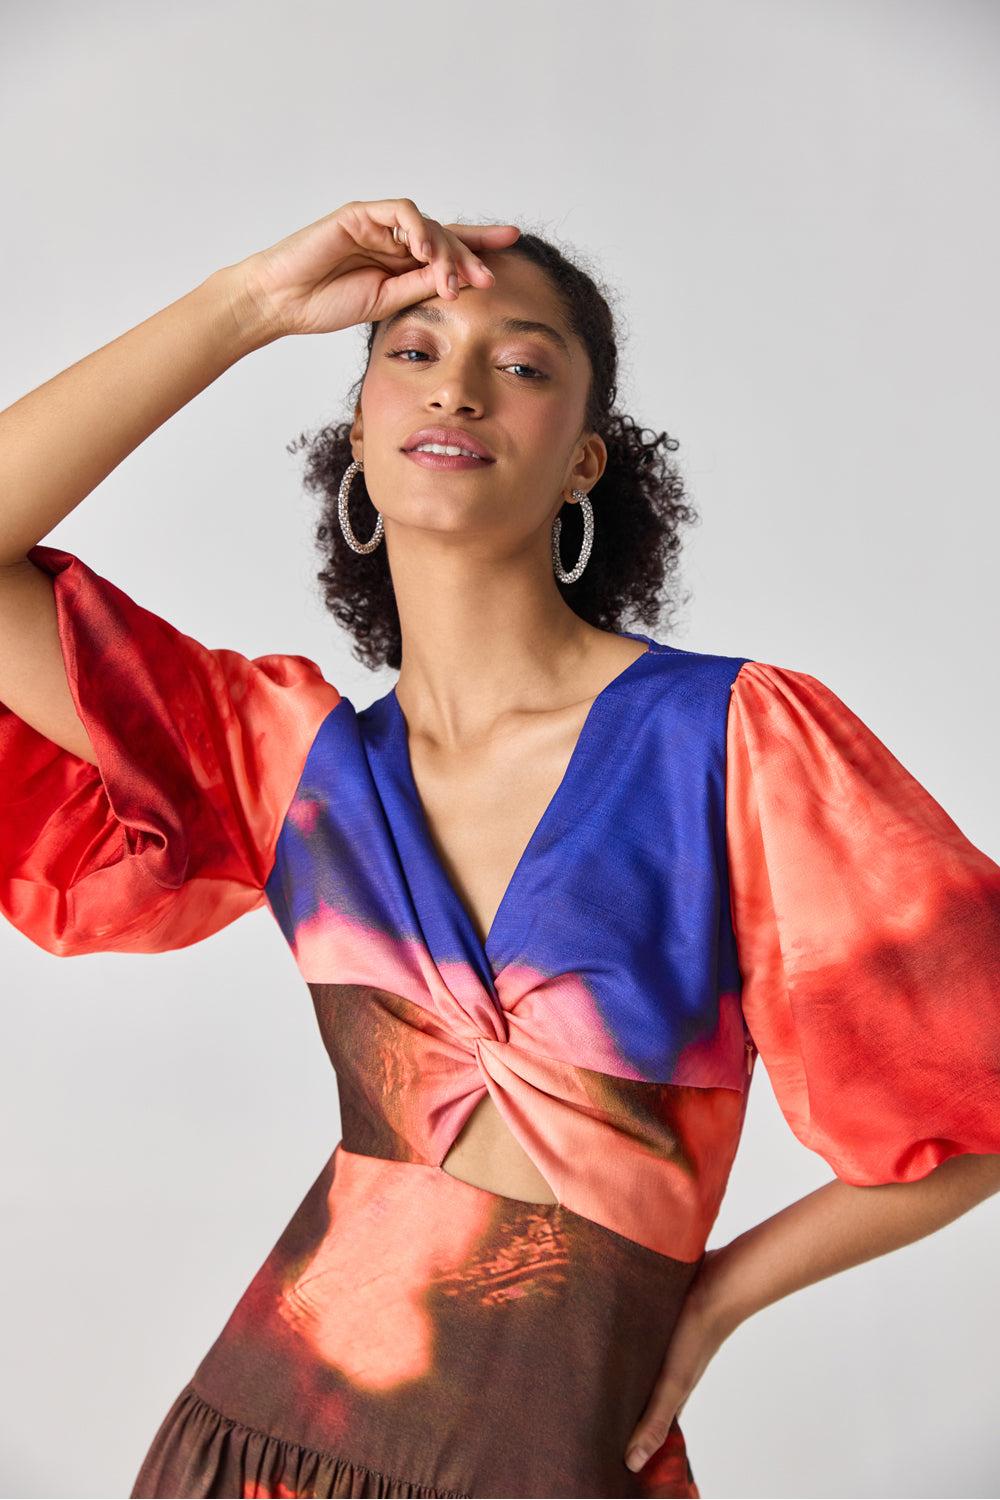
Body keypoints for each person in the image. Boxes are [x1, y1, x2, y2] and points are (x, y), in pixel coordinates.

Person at [2, 196, 1000, 1500]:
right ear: (359, 437)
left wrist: (710, 1302)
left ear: (585, 461)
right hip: (261, 1446)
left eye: (520, 365)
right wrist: (248, 303)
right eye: (412, 352)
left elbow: (978, 1096)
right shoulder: (288, 763)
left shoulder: (734, 739)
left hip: (557, 1456)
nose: (457, 388)